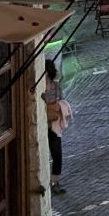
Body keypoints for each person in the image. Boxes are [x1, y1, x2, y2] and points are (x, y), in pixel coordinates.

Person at [42, 53, 72, 197]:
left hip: (53, 126)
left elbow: (61, 101)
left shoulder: (56, 87)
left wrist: (56, 106)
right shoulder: (39, 89)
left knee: (57, 155)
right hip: (43, 127)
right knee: (44, 156)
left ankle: (55, 182)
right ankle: (46, 182)